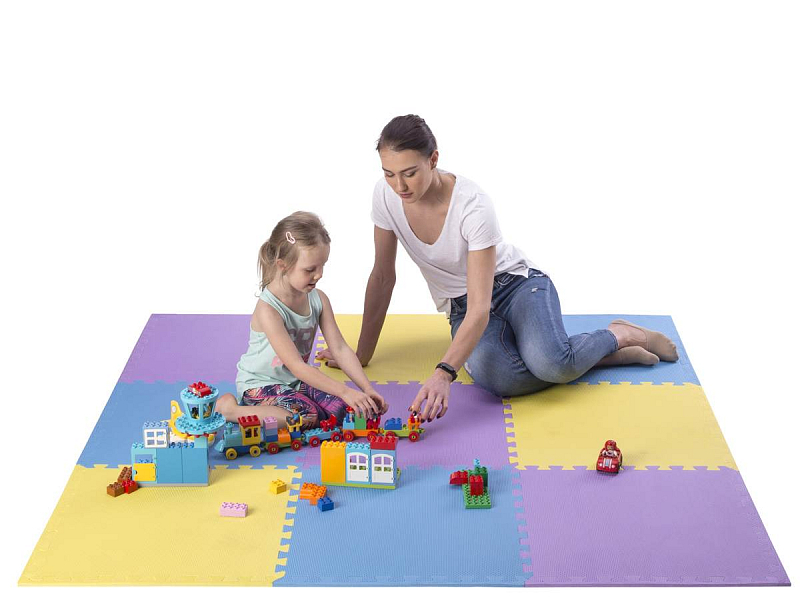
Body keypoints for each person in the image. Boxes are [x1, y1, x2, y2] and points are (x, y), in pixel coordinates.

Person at [317, 114, 678, 422]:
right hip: (462, 305)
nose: (399, 185)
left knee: (551, 364)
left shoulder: (473, 205)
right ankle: (590, 359)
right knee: (501, 379)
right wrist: (361, 354)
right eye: (389, 174)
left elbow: (481, 306)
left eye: (409, 173)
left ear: (433, 159)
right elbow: (383, 276)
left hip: (516, 287)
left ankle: (618, 335)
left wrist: (444, 372)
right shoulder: (385, 197)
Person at [217, 212, 388, 430]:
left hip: (297, 382)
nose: (319, 274)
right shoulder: (268, 309)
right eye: (310, 269)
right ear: (283, 265)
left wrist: (366, 389)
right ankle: (231, 411)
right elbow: (296, 365)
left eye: (322, 265)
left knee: (344, 411)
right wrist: (345, 390)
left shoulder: (319, 299)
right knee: (306, 416)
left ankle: (304, 403)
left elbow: (339, 348)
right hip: (261, 384)